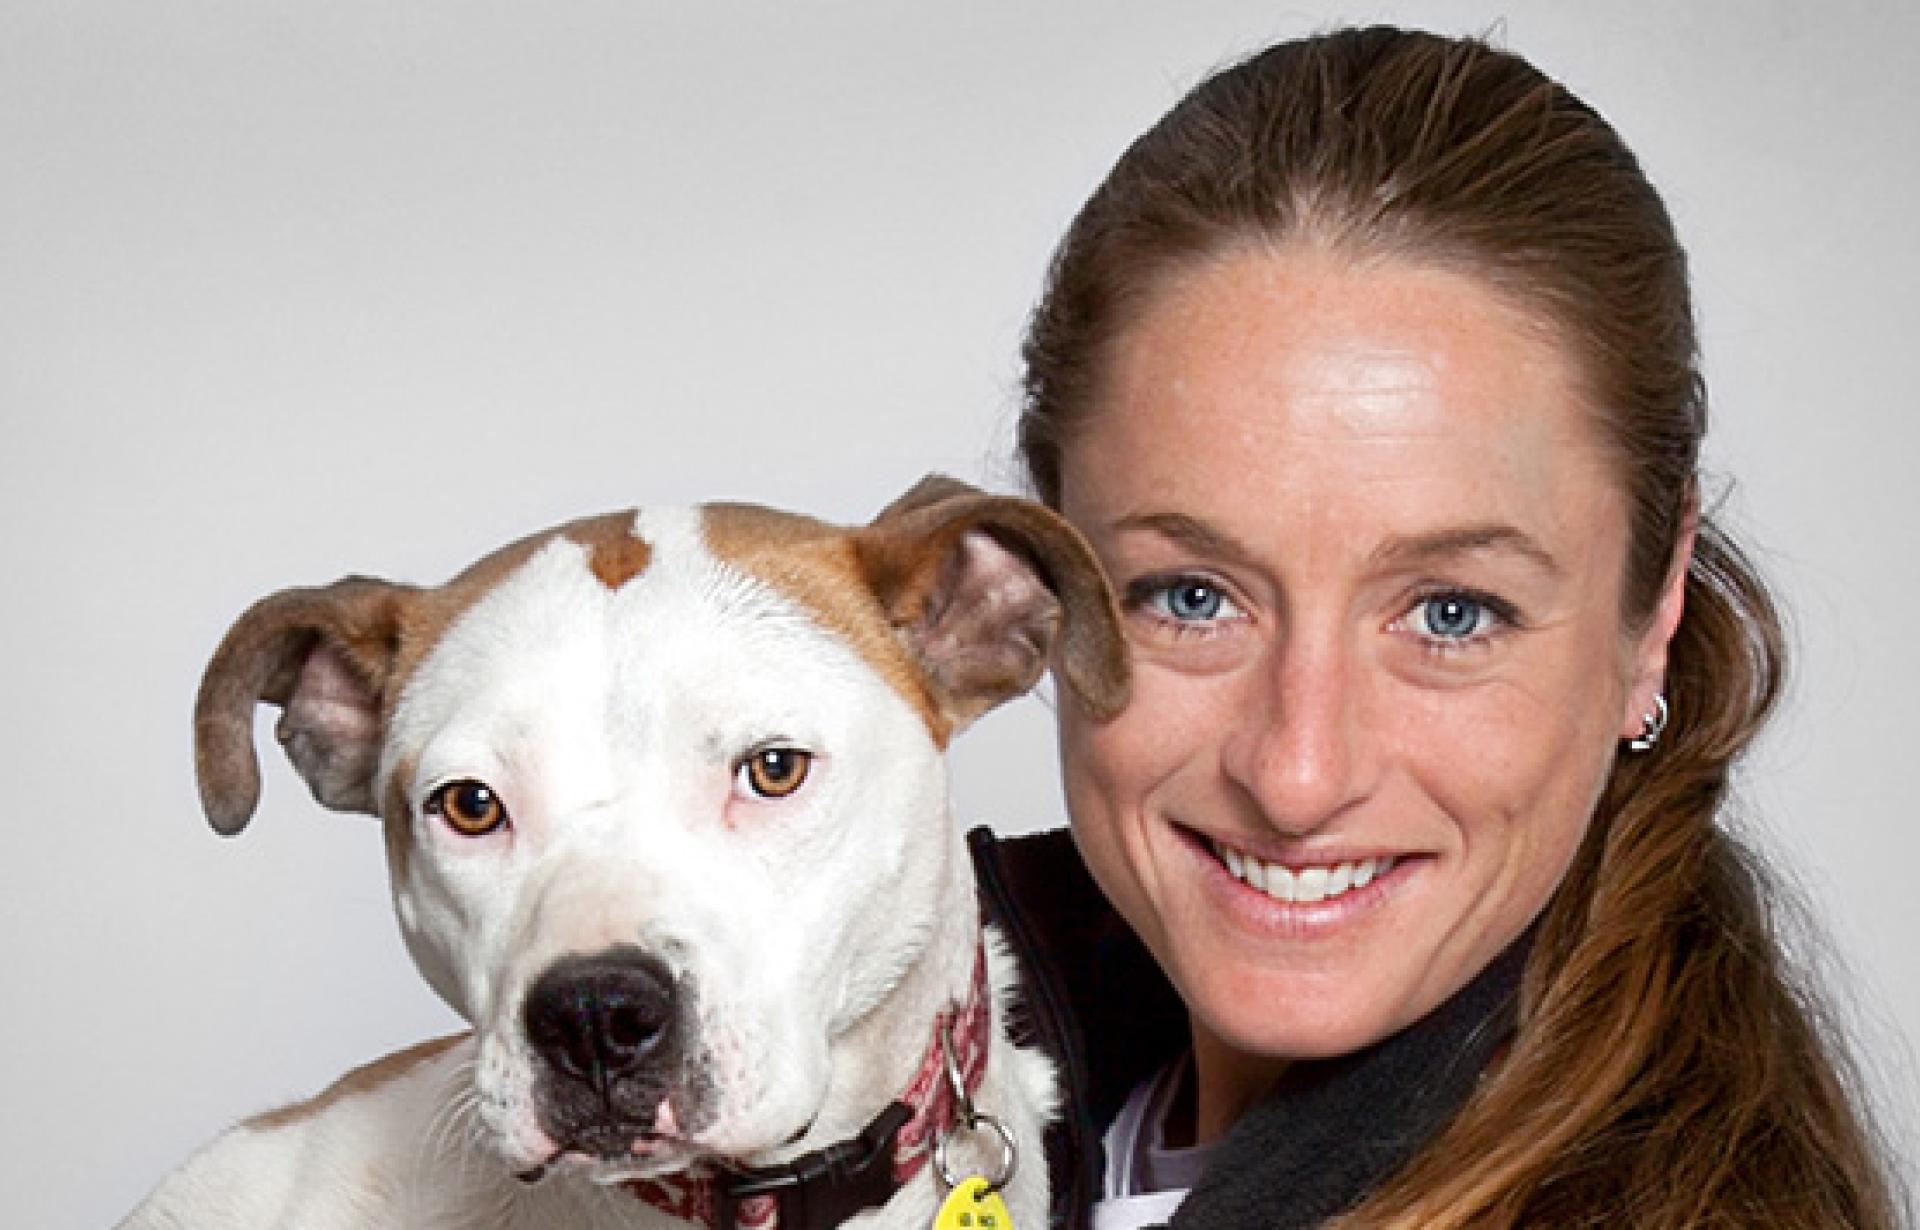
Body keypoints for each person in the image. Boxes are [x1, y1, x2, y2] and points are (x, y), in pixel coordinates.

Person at [967, 25, 1904, 1230]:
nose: (1298, 777)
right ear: (1048, 568)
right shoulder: (966, 1113)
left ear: (1653, 608)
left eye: (1451, 615)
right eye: (1191, 597)